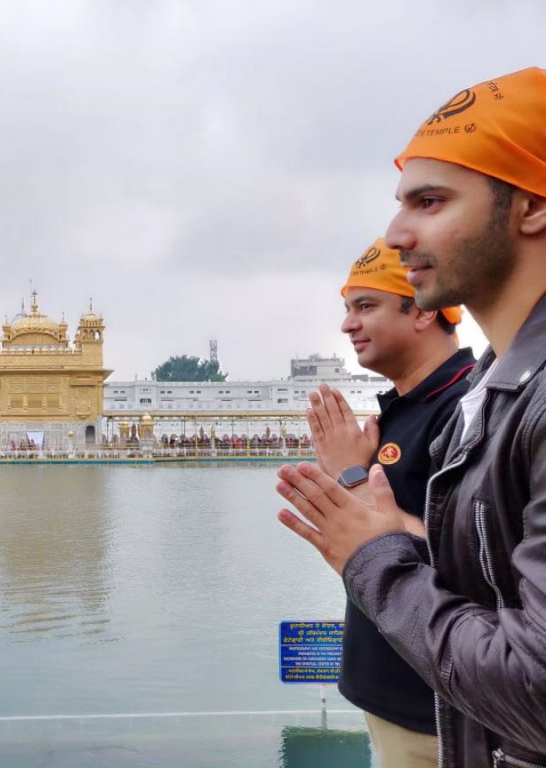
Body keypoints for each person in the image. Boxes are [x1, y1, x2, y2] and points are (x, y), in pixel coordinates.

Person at [276, 66, 546, 767]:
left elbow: (534, 685)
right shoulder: (497, 392)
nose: (397, 232)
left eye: (429, 201)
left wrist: (373, 546)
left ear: (531, 206)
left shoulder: (494, 400)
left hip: (442, 710)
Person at [308, 238, 473, 767]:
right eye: (347, 308)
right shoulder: (405, 410)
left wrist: (351, 479)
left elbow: (477, 558)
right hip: (394, 697)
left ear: (422, 308)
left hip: (437, 710)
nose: (347, 325)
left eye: (366, 306)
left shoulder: (467, 410)